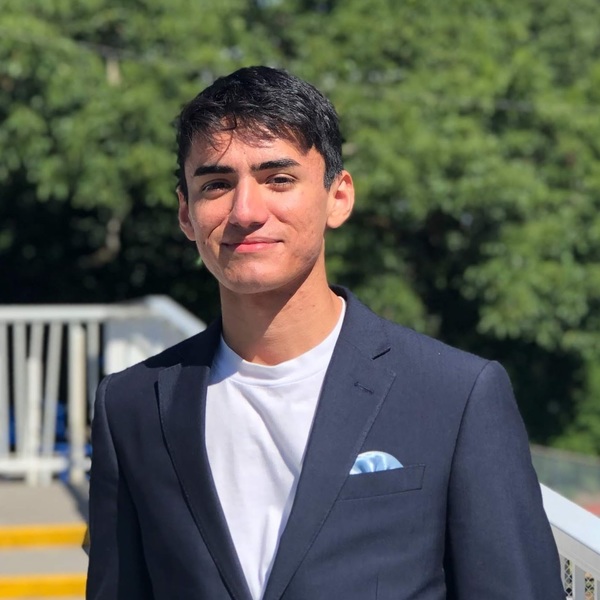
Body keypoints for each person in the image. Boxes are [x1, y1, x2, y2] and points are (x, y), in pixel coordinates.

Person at [86, 66, 565, 600]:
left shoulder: (455, 395)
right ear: (186, 213)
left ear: (338, 196)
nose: (245, 211)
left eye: (278, 179)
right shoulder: (130, 405)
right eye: (216, 184)